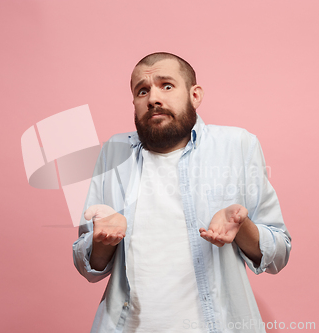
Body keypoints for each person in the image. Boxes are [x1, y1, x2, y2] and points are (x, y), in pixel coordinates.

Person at [73, 52, 291, 333]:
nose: (153, 98)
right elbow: (86, 262)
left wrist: (242, 227)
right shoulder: (113, 152)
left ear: (195, 95)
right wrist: (104, 239)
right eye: (142, 90)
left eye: (166, 86)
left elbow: (279, 253)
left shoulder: (237, 145)